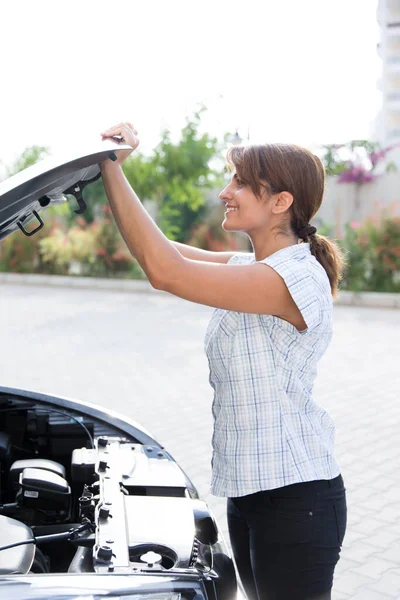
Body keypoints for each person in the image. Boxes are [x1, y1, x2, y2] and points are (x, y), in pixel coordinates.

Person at [100, 122, 347, 600]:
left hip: (297, 499)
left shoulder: (296, 278)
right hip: (251, 491)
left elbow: (165, 272)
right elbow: (161, 251)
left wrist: (107, 165)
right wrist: (110, 171)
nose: (224, 192)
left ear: (281, 201)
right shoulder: (250, 269)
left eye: (239, 182)